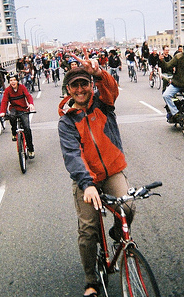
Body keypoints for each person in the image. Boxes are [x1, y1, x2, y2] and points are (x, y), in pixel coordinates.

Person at [58, 48, 134, 297]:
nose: (79, 90)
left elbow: (112, 89)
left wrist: (99, 72)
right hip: (86, 180)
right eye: (74, 86)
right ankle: (91, 280)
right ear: (68, 90)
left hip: (112, 170)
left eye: (84, 84)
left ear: (91, 85)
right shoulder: (66, 121)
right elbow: (72, 155)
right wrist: (87, 183)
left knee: (128, 208)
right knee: (88, 230)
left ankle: (114, 232)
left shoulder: (104, 103)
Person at [0, 73, 35, 158]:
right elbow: (4, 101)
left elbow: (28, 96)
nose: (13, 82)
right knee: (11, 116)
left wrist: (31, 104)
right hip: (14, 108)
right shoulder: (8, 90)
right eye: (11, 80)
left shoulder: (22, 87)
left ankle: (31, 149)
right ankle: (14, 132)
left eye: (14, 80)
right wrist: (2, 112)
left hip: (23, 109)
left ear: (17, 81)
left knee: (27, 128)